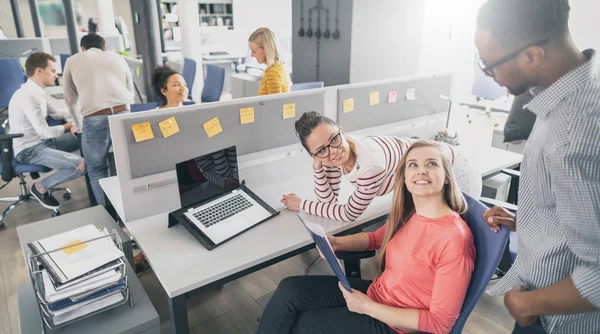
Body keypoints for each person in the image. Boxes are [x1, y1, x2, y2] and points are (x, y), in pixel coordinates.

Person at [258, 140, 475, 334]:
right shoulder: (409, 214)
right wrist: (337, 242)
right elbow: (375, 239)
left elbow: (440, 324)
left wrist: (366, 307)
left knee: (299, 322)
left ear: (447, 177)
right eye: (413, 165)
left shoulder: (454, 239)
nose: (421, 171)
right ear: (405, 179)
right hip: (377, 294)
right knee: (290, 289)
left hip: (395, 325)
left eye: (432, 164)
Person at [475, 0, 600, 333]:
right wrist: (526, 221)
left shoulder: (571, 134)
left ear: (531, 56)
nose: (487, 73)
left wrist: (527, 303)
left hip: (555, 318)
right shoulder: (579, 90)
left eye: (489, 64)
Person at [281, 111, 477, 222]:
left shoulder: (369, 166)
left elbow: (348, 214)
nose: (333, 150)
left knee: (450, 235)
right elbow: (329, 201)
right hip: (425, 179)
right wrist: (318, 167)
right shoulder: (334, 154)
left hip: (453, 173)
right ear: (313, 155)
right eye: (321, 150)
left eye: (334, 139)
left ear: (341, 132)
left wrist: (302, 205)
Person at [8, 52, 85, 209]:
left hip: (45, 143)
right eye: (53, 70)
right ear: (39, 71)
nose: (56, 75)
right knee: (82, 165)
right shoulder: (28, 96)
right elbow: (45, 132)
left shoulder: (38, 92)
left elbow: (56, 114)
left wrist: (81, 111)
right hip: (30, 150)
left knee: (86, 136)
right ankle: (40, 187)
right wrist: (70, 126)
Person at [248, 27, 291, 95]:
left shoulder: (272, 74)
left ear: (265, 50)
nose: (251, 55)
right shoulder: (279, 67)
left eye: (254, 51)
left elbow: (274, 104)